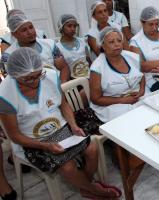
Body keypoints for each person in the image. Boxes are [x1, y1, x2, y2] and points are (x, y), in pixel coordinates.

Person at [0, 47, 122, 199]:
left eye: (38, 75)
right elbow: (15, 136)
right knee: (67, 166)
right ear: (14, 75)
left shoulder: (50, 76)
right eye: (28, 78)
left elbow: (63, 103)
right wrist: (45, 146)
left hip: (60, 127)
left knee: (92, 148)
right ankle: (94, 189)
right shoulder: (5, 95)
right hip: (33, 140)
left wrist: (73, 125)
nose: (35, 81)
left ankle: (85, 186)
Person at [90, 27, 145, 123]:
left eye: (119, 41)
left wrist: (142, 90)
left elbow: (142, 75)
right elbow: (96, 99)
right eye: (111, 42)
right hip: (113, 105)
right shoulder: (97, 68)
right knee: (131, 118)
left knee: (151, 108)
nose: (117, 44)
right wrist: (122, 100)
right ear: (102, 45)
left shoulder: (132, 57)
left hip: (136, 97)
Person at [1, 15, 70, 83]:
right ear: (14, 34)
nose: (30, 32)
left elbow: (63, 67)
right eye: (24, 30)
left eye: (31, 27)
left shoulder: (50, 44)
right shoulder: (9, 55)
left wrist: (62, 84)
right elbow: (14, 81)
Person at [56, 14, 92, 79]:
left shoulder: (82, 42)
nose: (73, 29)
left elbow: (88, 60)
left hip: (89, 77)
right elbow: (62, 70)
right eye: (69, 26)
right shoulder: (58, 47)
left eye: (74, 26)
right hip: (74, 82)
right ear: (61, 27)